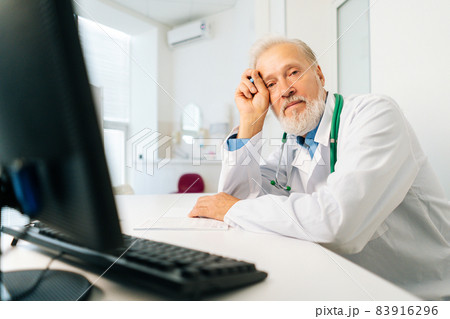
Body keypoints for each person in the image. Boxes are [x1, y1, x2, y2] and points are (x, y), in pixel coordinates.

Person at [188, 36, 450, 300]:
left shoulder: (374, 115)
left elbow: (338, 224)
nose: (285, 89)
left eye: (293, 73)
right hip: (349, 289)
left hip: (420, 293)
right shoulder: (291, 146)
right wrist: (250, 120)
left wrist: (232, 209)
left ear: (319, 74)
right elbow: (237, 203)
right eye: (271, 84)